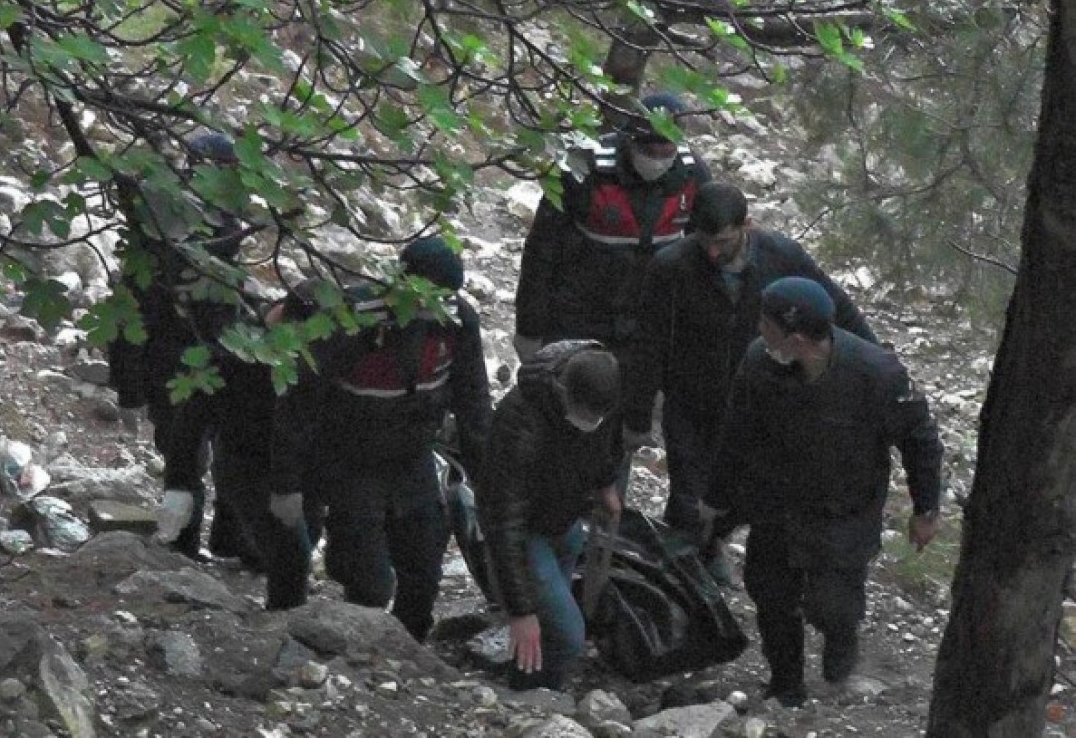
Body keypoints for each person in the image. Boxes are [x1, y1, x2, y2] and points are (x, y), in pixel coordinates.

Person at [703, 277, 943, 707]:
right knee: (771, 596)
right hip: (777, 503)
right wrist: (716, 500)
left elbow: (920, 439)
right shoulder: (759, 364)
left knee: (832, 606)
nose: (759, 330)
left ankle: (841, 640)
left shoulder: (878, 375)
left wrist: (926, 508)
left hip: (845, 510)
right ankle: (786, 683)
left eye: (766, 323)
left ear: (795, 339)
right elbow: (735, 435)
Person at [621, 182, 878, 578]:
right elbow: (648, 343)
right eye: (704, 240)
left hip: (758, 399)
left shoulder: (782, 256)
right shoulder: (671, 267)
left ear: (748, 226)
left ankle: (712, 546)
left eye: (722, 241)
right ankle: (683, 571)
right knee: (688, 492)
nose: (712, 252)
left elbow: (833, 305)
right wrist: (637, 417)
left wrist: (876, 362)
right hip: (690, 398)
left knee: (742, 489)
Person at [265, 236, 493, 640]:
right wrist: (287, 486)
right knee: (370, 579)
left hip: (413, 455)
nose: (436, 308)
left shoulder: (457, 322)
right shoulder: (351, 318)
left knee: (423, 565)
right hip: (349, 458)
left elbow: (474, 404)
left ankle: (410, 648)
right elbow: (300, 404)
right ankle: (353, 642)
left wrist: (489, 484)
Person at [106, 132, 270, 564]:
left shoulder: (211, 220)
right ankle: (185, 543)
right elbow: (131, 308)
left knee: (221, 453)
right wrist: (128, 381)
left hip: (215, 354)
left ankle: (221, 540)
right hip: (175, 358)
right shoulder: (167, 229)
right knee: (186, 458)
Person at [513, 91, 711, 363]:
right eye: (648, 150)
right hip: (577, 316)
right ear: (628, 140)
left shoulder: (693, 176)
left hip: (648, 321)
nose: (657, 159)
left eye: (666, 151)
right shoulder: (585, 168)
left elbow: (702, 255)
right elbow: (541, 251)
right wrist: (529, 328)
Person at [477, 340, 622, 691]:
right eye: (585, 416)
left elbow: (604, 442)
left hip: (565, 520)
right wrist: (520, 611)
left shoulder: (601, 390)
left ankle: (529, 682)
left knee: (548, 627)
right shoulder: (521, 422)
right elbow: (504, 523)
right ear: (563, 392)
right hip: (527, 531)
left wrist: (605, 485)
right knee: (568, 635)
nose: (591, 424)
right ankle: (538, 697)